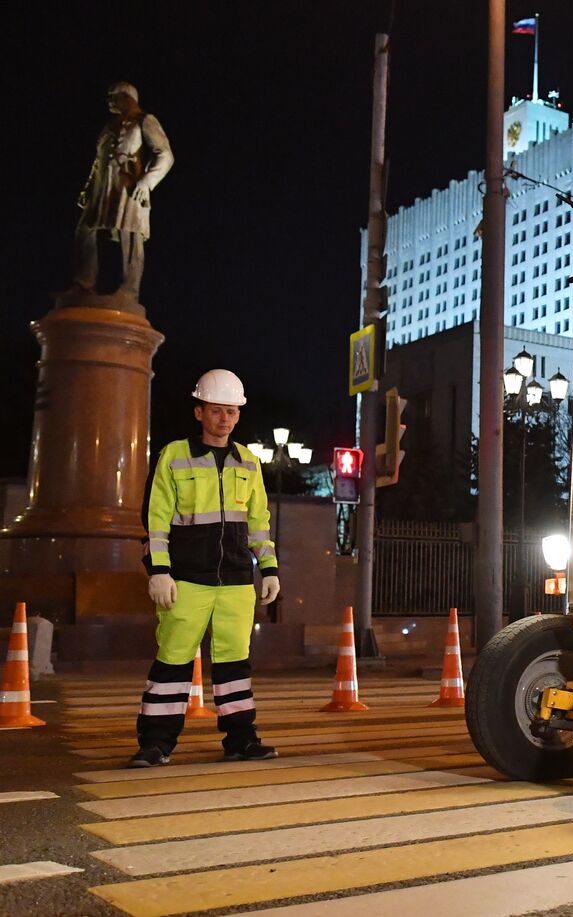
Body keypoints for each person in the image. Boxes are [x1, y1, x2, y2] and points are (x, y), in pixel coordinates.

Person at [131, 369, 280, 767]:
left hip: (234, 581)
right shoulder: (174, 455)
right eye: (217, 410)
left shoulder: (248, 461)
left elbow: (259, 521)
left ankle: (241, 741)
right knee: (172, 662)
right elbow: (156, 518)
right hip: (185, 580)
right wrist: (158, 571)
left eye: (231, 411)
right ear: (199, 412)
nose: (225, 419)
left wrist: (269, 568)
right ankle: (155, 745)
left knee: (235, 666)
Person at [73, 81, 174, 299]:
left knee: (130, 233)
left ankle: (129, 290)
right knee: (86, 228)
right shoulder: (109, 126)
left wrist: (147, 181)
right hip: (104, 185)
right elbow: (98, 160)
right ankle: (84, 283)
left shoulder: (145, 120)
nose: (109, 101)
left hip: (129, 185)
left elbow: (165, 154)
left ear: (127, 97)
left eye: (114, 96)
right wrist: (89, 187)